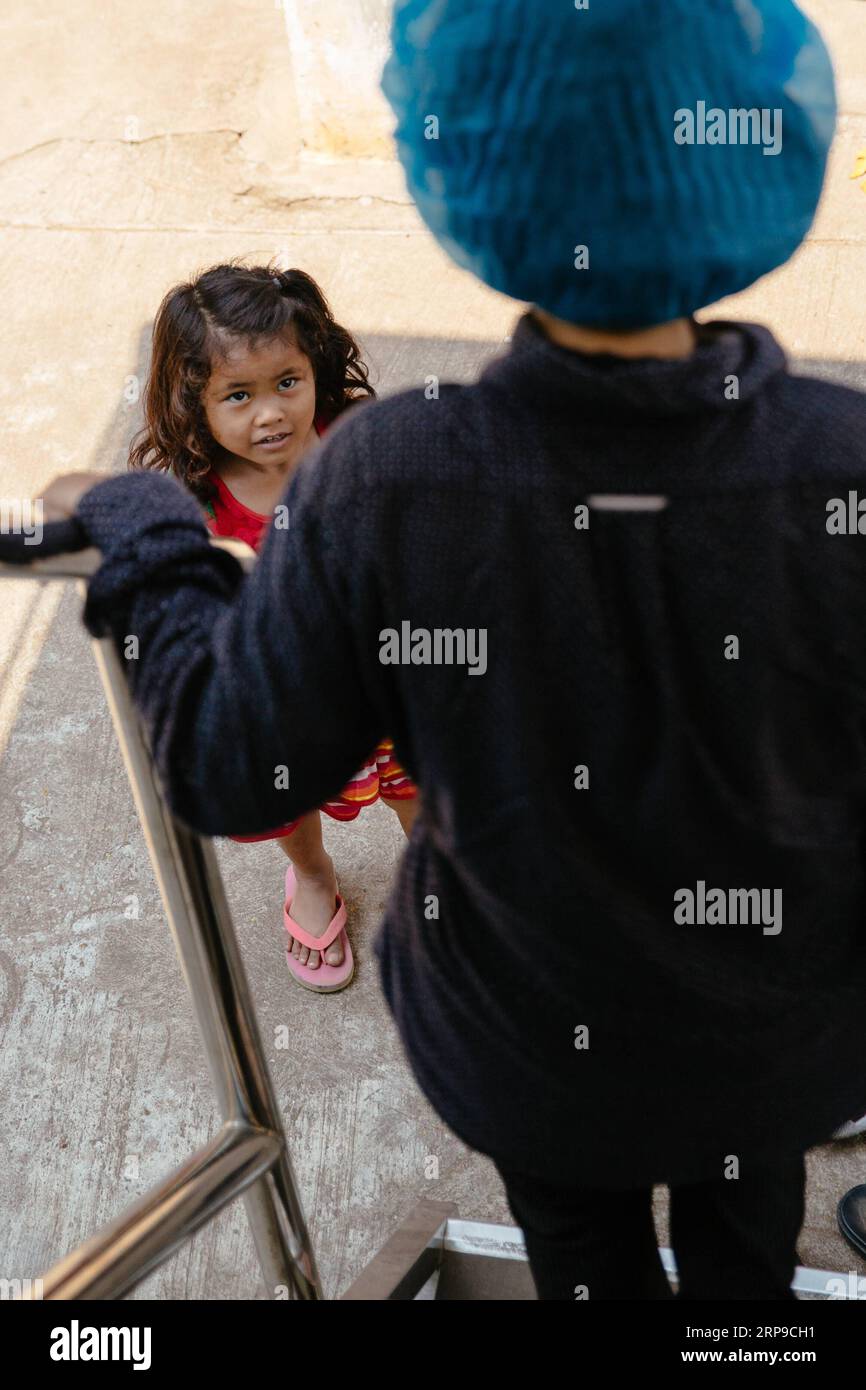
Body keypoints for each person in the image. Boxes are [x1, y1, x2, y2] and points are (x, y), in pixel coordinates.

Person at [34, 0, 866, 1299]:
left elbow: (230, 763)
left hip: (536, 1050)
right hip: (776, 1047)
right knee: (742, 1240)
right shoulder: (840, 462)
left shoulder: (390, 480)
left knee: (581, 1249)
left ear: (463, 175)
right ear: (769, 153)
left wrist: (142, 521)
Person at [127, 261, 420, 991]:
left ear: (314, 367)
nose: (271, 413)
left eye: (287, 382)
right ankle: (314, 876)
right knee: (289, 805)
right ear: (193, 403)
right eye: (237, 395)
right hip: (289, 703)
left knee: (424, 787)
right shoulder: (200, 508)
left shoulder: (357, 440)